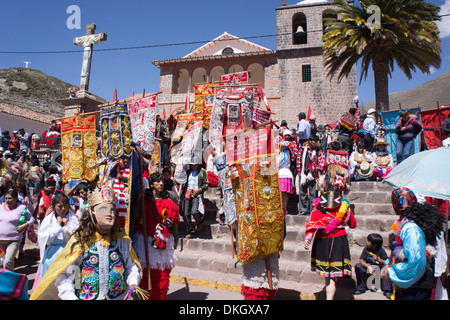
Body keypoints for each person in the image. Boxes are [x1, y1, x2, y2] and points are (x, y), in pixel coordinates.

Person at [30, 182, 142, 300]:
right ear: (92, 214)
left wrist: (133, 283)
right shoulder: (81, 241)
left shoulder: (121, 240)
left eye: (113, 210)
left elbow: (131, 266)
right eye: (103, 209)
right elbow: (66, 277)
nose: (110, 214)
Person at [381, 188, 444, 300]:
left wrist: (392, 273)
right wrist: (388, 263)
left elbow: (416, 260)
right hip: (416, 284)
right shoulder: (412, 222)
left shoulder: (410, 227)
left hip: (415, 287)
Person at [132, 172, 180, 300]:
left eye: (162, 181)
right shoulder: (143, 200)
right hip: (145, 241)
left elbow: (175, 224)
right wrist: (140, 199)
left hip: (164, 241)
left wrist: (174, 239)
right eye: (158, 182)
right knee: (146, 272)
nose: (161, 184)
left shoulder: (170, 200)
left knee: (162, 273)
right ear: (151, 184)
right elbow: (134, 217)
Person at [304, 191, 357, 300]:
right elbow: (353, 224)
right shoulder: (344, 207)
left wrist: (308, 238)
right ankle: (329, 295)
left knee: (328, 277)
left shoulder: (318, 208)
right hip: (338, 241)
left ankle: (329, 295)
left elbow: (311, 226)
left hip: (322, 242)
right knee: (333, 275)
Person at [33, 192, 79, 289]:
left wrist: (66, 227)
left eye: (65, 206)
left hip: (70, 253)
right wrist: (57, 225)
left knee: (72, 279)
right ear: (54, 207)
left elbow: (77, 236)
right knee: (52, 282)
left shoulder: (73, 219)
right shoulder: (48, 220)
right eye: (60, 206)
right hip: (53, 254)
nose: (63, 209)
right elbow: (46, 239)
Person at [0, 188, 35, 271]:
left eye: (10, 198)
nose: (8, 200)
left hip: (14, 240)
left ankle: (9, 281)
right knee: (0, 262)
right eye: (6, 198)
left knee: (8, 261)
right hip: (0, 240)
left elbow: (32, 219)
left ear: (16, 199)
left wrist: (24, 225)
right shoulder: (1, 207)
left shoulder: (22, 208)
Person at [354, 233, 392, 298]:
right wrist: (368, 266)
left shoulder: (380, 250)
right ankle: (361, 288)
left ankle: (387, 290)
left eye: (368, 241)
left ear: (374, 245)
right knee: (358, 266)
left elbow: (387, 261)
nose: (366, 242)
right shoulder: (366, 249)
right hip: (369, 268)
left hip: (379, 269)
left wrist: (378, 259)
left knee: (388, 268)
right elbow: (361, 260)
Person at [180, 157, 208, 237]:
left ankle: (200, 221)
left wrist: (199, 190)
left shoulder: (203, 172)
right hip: (187, 193)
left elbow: (206, 184)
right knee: (185, 213)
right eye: (192, 165)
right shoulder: (188, 172)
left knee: (194, 211)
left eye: (195, 165)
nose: (193, 166)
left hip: (196, 195)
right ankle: (190, 230)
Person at [297, 135, 323, 215]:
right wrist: (300, 173)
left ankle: (313, 210)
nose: (315, 144)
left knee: (313, 193)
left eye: (316, 142)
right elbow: (299, 160)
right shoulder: (302, 150)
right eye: (314, 142)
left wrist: (315, 170)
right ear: (310, 142)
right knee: (302, 192)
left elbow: (321, 162)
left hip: (313, 174)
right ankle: (303, 210)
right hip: (303, 173)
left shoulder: (318, 151)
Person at [277, 130, 297, 213]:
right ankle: (284, 208)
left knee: (281, 194)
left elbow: (279, 163)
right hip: (287, 173)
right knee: (284, 194)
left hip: (282, 173)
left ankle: (282, 208)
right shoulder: (288, 152)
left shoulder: (283, 153)